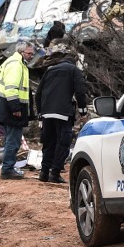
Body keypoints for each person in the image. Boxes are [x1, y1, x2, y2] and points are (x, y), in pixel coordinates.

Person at [0, 40, 36, 180]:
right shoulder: (16, 65)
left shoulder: (15, 63)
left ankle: (8, 167)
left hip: (8, 107)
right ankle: (8, 169)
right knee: (14, 140)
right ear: (21, 52)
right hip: (12, 108)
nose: (32, 56)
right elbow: (11, 88)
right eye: (29, 53)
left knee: (11, 139)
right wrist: (15, 108)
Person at [35, 41, 87, 184]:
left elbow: (38, 94)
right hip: (63, 113)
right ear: (74, 62)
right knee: (62, 143)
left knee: (48, 143)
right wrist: (83, 112)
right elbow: (80, 92)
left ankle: (44, 173)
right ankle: (55, 173)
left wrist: (40, 113)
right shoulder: (74, 71)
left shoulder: (50, 70)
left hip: (46, 113)